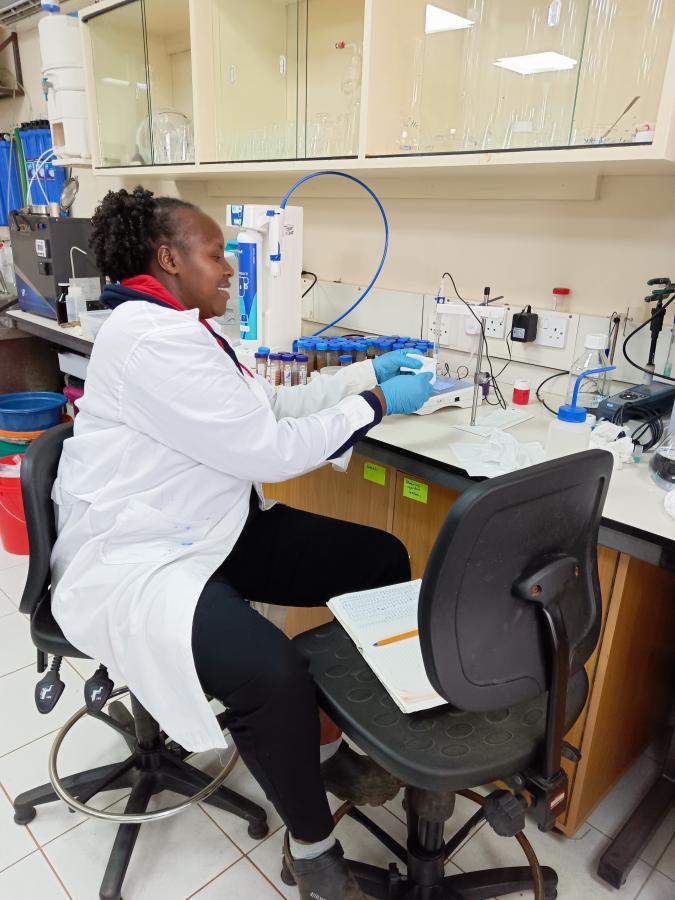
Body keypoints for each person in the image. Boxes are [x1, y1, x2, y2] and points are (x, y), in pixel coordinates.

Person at [50, 186, 434, 900]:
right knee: (270, 673)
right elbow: (268, 449)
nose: (229, 268)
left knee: (380, 559)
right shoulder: (152, 340)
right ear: (167, 258)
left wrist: (360, 376)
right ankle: (313, 853)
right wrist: (375, 406)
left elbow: (270, 406)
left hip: (212, 524)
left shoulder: (189, 327)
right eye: (215, 253)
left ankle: (340, 747)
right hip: (142, 553)